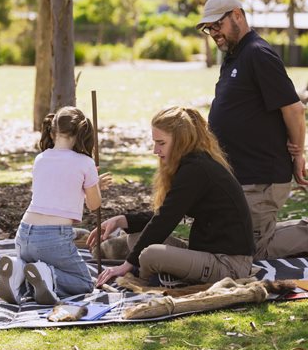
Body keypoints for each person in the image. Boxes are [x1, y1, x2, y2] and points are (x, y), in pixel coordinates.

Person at [197, 0, 308, 260]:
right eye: (209, 28)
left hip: (261, 176)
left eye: (217, 24)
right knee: (232, 239)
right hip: (241, 176)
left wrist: (298, 155)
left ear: (237, 15)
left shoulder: (258, 54)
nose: (213, 32)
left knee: (252, 250)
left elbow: (294, 109)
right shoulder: (234, 57)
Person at [92, 106, 255, 287]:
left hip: (227, 264)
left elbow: (166, 219)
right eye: (155, 143)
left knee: (149, 254)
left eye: (161, 143)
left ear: (180, 141)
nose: (155, 150)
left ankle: (145, 280)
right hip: (205, 252)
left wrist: (126, 266)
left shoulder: (196, 169)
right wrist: (121, 220)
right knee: (135, 238)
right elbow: (167, 212)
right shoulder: (192, 164)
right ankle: (158, 274)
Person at [0, 106, 102, 305]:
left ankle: (18, 270)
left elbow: (56, 190)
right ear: (81, 133)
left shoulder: (41, 159)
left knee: (35, 266)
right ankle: (46, 274)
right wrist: (95, 185)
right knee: (84, 282)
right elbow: (94, 204)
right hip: (53, 238)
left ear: (53, 131)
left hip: (24, 234)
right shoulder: (85, 162)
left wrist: (89, 184)